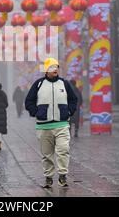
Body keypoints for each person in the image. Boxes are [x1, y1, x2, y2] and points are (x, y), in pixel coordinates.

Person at [25, 58, 78, 188]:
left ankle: (62, 175)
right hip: (43, 126)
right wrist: (36, 112)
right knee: (46, 154)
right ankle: (48, 177)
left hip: (62, 124)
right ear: (46, 70)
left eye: (56, 67)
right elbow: (29, 101)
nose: (55, 69)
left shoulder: (64, 84)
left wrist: (69, 111)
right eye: (52, 67)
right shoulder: (38, 84)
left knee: (63, 150)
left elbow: (73, 99)